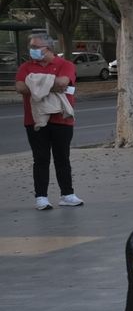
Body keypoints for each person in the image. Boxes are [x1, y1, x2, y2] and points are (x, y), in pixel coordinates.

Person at [14, 33, 82, 211]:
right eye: (31, 47)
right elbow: (20, 87)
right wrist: (49, 84)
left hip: (62, 118)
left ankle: (67, 194)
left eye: (36, 47)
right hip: (34, 120)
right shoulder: (26, 66)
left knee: (62, 158)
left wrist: (35, 83)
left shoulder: (65, 65)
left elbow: (63, 82)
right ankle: (41, 198)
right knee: (41, 159)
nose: (32, 51)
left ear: (49, 48)